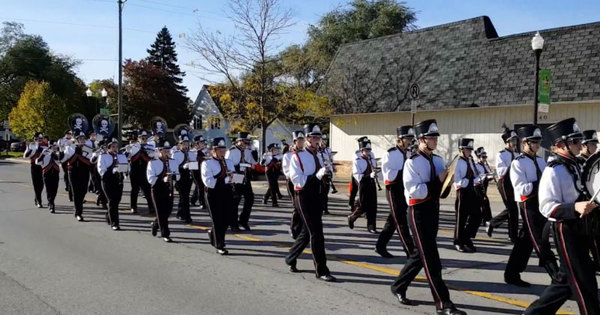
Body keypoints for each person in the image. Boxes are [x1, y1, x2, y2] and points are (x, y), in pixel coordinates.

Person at [525, 118, 600, 315]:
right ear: (560, 144)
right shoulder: (553, 170)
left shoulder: (577, 165)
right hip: (565, 230)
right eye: (575, 142)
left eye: (579, 141)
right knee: (585, 283)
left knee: (565, 282)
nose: (579, 145)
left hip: (581, 227)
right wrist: (575, 207)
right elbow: (547, 207)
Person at [395, 119, 466, 315]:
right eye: (431, 138)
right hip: (417, 213)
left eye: (436, 137)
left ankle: (398, 286)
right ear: (421, 140)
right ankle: (444, 304)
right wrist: (438, 181)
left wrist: (448, 181)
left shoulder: (438, 160)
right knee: (432, 260)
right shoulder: (412, 162)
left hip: (433, 211)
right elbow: (415, 192)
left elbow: (441, 192)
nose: (435, 141)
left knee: (420, 255)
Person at [504, 125, 560, 287]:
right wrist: (540, 184)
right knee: (541, 242)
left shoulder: (541, 161)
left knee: (525, 242)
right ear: (524, 143)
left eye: (538, 141)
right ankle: (557, 278)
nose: (537, 145)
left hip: (541, 205)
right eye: (534, 142)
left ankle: (511, 273)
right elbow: (521, 189)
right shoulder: (518, 163)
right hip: (529, 206)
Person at [285, 123, 336, 282]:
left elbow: (326, 173)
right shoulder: (297, 157)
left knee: (307, 233)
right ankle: (321, 270)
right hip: (304, 196)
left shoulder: (321, 155)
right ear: (306, 139)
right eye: (313, 137)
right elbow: (297, 181)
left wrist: (329, 173)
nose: (316, 140)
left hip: (318, 195)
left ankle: (291, 257)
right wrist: (317, 176)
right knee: (316, 233)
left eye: (318, 137)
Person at [378, 125, 415, 260]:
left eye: (411, 138)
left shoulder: (411, 153)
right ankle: (411, 252)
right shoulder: (391, 154)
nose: (410, 140)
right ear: (400, 139)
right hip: (394, 189)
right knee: (401, 221)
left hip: (405, 189)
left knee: (393, 220)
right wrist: (403, 172)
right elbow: (387, 175)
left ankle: (380, 245)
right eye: (408, 138)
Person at [201, 137, 235, 255]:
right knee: (217, 220)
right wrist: (226, 179)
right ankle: (220, 244)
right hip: (213, 194)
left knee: (227, 219)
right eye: (220, 150)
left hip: (226, 193)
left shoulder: (229, 162)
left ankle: (213, 233)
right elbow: (208, 182)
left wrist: (234, 179)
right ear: (213, 151)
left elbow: (232, 176)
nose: (223, 152)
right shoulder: (207, 163)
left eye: (224, 150)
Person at [487, 128, 519, 242]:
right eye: (512, 141)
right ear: (507, 142)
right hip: (505, 183)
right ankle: (512, 235)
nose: (514, 143)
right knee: (512, 209)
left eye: (515, 140)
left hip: (514, 183)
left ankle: (511, 234)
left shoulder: (517, 154)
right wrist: (514, 167)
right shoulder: (501, 154)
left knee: (513, 209)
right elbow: (501, 171)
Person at [147, 141, 180, 242]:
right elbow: (150, 179)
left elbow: (178, 176)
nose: (167, 153)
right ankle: (165, 234)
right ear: (159, 151)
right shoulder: (153, 162)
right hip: (157, 189)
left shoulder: (173, 161)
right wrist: (162, 179)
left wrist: (173, 177)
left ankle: (156, 223)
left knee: (168, 211)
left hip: (169, 189)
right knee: (161, 212)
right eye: (164, 151)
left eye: (168, 151)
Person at [452, 138, 482, 253]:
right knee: (461, 218)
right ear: (461, 150)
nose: (470, 152)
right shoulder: (457, 161)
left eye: (470, 150)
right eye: (467, 150)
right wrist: (467, 180)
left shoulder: (470, 160)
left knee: (478, 215)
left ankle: (466, 236)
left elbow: (475, 174)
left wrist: (476, 178)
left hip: (471, 191)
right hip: (462, 192)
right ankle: (458, 241)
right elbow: (456, 181)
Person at [225, 132, 258, 231]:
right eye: (245, 142)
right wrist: (237, 167)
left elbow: (255, 162)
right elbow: (227, 165)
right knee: (235, 201)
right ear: (239, 141)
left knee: (250, 199)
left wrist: (254, 150)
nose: (246, 144)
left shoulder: (248, 150)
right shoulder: (232, 151)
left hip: (245, 177)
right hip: (235, 176)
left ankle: (243, 220)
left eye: (248, 142)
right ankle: (233, 223)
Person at [348, 137, 379, 233]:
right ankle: (352, 217)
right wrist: (368, 176)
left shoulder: (371, 157)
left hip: (371, 182)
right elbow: (357, 175)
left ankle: (371, 226)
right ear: (362, 150)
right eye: (366, 150)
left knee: (373, 205)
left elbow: (373, 167)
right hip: (363, 183)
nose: (368, 152)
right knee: (363, 204)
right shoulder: (357, 159)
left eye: (369, 150)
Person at [61, 132, 92, 222]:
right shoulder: (70, 147)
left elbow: (91, 159)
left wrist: (83, 153)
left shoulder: (88, 148)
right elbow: (63, 159)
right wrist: (62, 153)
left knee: (83, 190)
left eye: (83, 139)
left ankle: (79, 207)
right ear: (76, 140)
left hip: (85, 171)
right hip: (73, 171)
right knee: (76, 192)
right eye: (80, 139)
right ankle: (78, 212)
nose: (82, 140)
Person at [98, 140, 126, 230]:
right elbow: (101, 171)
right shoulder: (103, 156)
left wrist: (124, 169)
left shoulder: (121, 156)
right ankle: (115, 223)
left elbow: (126, 166)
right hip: (108, 181)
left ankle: (108, 215)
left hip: (119, 181)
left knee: (116, 202)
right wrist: (112, 171)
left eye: (116, 147)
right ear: (108, 148)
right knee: (112, 201)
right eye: (113, 147)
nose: (115, 148)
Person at [282, 131, 305, 239]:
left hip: (304, 181)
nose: (301, 143)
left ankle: (302, 228)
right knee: (296, 206)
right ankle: (294, 229)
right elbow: (287, 171)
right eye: (298, 141)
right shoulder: (288, 155)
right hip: (293, 182)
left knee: (304, 206)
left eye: (302, 140)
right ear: (294, 142)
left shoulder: (306, 154)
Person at [128, 130, 154, 215]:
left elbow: (151, 159)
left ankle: (151, 207)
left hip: (145, 171)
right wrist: (139, 151)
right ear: (138, 138)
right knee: (134, 190)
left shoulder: (150, 146)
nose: (143, 139)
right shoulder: (133, 146)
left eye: (145, 137)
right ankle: (133, 207)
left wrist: (143, 153)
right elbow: (130, 159)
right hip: (135, 171)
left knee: (147, 190)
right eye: (141, 137)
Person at [172, 135, 194, 224]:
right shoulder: (176, 154)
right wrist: (182, 167)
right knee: (184, 197)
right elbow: (173, 166)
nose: (185, 145)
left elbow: (195, 165)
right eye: (183, 143)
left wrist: (192, 165)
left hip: (189, 176)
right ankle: (187, 216)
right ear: (179, 144)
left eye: (186, 143)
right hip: (180, 177)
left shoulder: (191, 153)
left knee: (184, 196)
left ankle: (180, 213)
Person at [35, 142, 61, 213]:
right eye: (53, 147)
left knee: (54, 189)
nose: (54, 149)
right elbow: (37, 162)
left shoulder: (58, 154)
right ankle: (51, 203)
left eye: (55, 147)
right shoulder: (45, 154)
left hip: (55, 173)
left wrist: (53, 154)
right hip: (47, 173)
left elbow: (59, 160)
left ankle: (51, 201)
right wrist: (42, 154)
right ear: (50, 147)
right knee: (49, 189)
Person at [24, 132, 46, 208]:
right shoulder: (31, 145)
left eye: (41, 139)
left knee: (42, 185)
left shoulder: (44, 145)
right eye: (37, 139)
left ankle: (37, 197)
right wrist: (33, 150)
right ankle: (39, 201)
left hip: (42, 166)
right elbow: (25, 156)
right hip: (34, 166)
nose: (39, 140)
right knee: (36, 184)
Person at [474, 147, 493, 225]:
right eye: (483, 157)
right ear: (479, 157)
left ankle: (485, 218)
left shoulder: (485, 166)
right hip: (478, 186)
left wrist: (492, 175)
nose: (485, 158)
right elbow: (477, 176)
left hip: (484, 186)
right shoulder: (476, 166)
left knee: (482, 202)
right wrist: (485, 176)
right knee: (484, 201)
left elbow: (489, 175)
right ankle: (486, 219)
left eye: (486, 157)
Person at [190, 135, 208, 209]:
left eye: (203, 142)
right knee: (200, 186)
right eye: (201, 142)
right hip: (195, 170)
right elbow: (191, 162)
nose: (203, 144)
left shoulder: (206, 150)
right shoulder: (192, 152)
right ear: (196, 144)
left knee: (199, 186)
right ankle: (202, 202)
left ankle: (193, 200)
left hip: (203, 169)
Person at [58, 130, 74, 201]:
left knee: (70, 174)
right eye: (68, 134)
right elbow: (61, 148)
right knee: (66, 173)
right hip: (64, 157)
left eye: (70, 134)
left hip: (71, 157)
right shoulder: (61, 140)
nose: (69, 135)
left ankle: (69, 186)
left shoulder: (73, 140)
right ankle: (67, 185)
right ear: (66, 134)